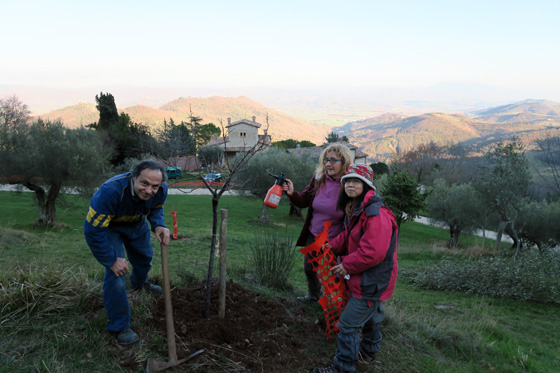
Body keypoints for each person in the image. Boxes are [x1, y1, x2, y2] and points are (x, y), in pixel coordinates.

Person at [313, 164, 398, 373]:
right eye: (347, 181)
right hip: (373, 278)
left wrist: (346, 265)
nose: (350, 185)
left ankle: (344, 366)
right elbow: (349, 236)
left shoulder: (375, 214)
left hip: (371, 279)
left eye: (356, 181)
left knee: (348, 323)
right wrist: (331, 246)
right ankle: (368, 353)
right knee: (373, 316)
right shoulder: (357, 209)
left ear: (367, 185)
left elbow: (372, 252)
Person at [84, 160, 171, 345]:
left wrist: (159, 225)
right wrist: (111, 259)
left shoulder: (161, 189)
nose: (149, 190)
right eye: (144, 183)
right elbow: (93, 230)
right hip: (109, 227)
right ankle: (119, 325)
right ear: (134, 177)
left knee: (145, 258)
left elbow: (156, 209)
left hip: (136, 223)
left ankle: (140, 284)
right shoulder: (110, 192)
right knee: (116, 273)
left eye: (154, 186)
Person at [283, 143, 353, 302]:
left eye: (333, 160)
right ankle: (314, 296)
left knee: (331, 273)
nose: (328, 164)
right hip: (313, 235)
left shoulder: (349, 185)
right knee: (309, 269)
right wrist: (292, 193)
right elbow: (303, 201)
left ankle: (334, 303)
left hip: (334, 240)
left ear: (344, 161)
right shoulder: (318, 179)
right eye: (326, 160)